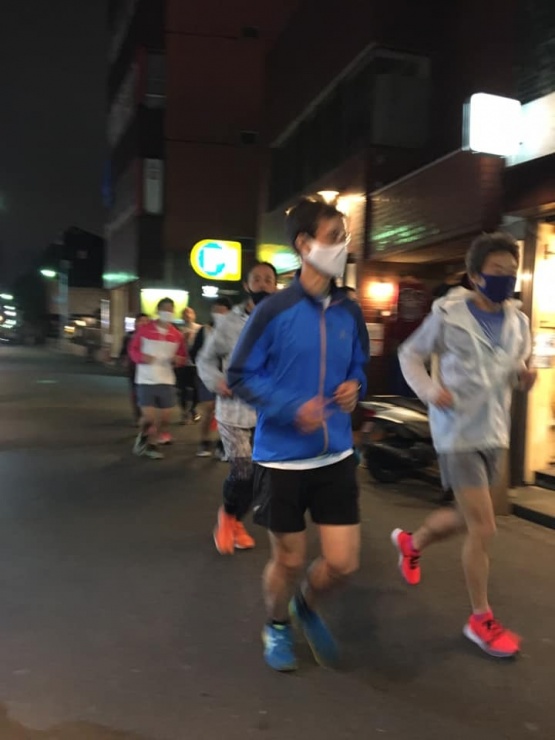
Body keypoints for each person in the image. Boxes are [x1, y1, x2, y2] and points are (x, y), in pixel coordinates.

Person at [227, 197, 369, 672]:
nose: (343, 247)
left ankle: (304, 604)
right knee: (289, 560)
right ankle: (276, 624)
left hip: (336, 455)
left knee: (343, 564)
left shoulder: (349, 310)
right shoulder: (273, 310)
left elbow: (359, 366)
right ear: (305, 245)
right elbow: (240, 375)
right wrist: (291, 408)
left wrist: (355, 387)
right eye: (334, 238)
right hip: (282, 459)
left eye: (345, 238)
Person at [392, 232, 536, 659]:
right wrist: (429, 391)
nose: (506, 278)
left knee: (464, 517)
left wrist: (524, 377)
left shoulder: (519, 322)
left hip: (493, 430)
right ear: (475, 276)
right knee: (484, 526)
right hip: (456, 432)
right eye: (497, 270)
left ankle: (412, 544)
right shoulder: (448, 313)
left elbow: (515, 368)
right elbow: (409, 354)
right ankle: (480, 619)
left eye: (511, 271)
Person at [197, 262, 278, 554]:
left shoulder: (283, 320)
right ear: (247, 285)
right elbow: (205, 359)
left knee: (263, 475)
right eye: (257, 279)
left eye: (268, 280)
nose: (262, 284)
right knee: (243, 471)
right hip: (234, 409)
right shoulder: (228, 322)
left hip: (269, 411)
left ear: (275, 286)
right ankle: (228, 517)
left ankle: (235, 520)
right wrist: (217, 381)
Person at [129, 298, 187, 459]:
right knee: (149, 418)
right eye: (165, 309)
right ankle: (150, 443)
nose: (167, 312)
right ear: (158, 310)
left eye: (170, 309)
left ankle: (146, 437)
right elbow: (133, 349)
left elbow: (182, 356)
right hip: (146, 380)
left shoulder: (177, 335)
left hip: (167, 380)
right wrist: (141, 357)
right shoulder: (145, 330)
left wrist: (178, 360)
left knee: (166, 418)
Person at [189, 297, 232, 457]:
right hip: (207, 377)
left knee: (225, 412)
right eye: (216, 310)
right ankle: (204, 441)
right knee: (209, 408)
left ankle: (222, 443)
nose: (218, 314)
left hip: (228, 376)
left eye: (222, 311)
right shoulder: (204, 330)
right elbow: (195, 352)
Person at [120, 313, 149, 424]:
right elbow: (123, 352)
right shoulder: (129, 336)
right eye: (141, 321)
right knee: (135, 392)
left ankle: (146, 414)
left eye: (146, 321)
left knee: (146, 392)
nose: (144, 323)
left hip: (148, 368)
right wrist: (124, 361)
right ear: (136, 323)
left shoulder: (151, 336)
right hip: (134, 368)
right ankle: (138, 415)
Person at [177, 307, 202, 425]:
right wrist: (183, 339)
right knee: (182, 389)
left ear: (194, 315)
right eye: (185, 313)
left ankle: (193, 409)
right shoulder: (178, 330)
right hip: (182, 363)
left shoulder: (199, 329)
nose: (187, 315)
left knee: (197, 389)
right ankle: (184, 413)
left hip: (196, 364)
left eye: (190, 313)